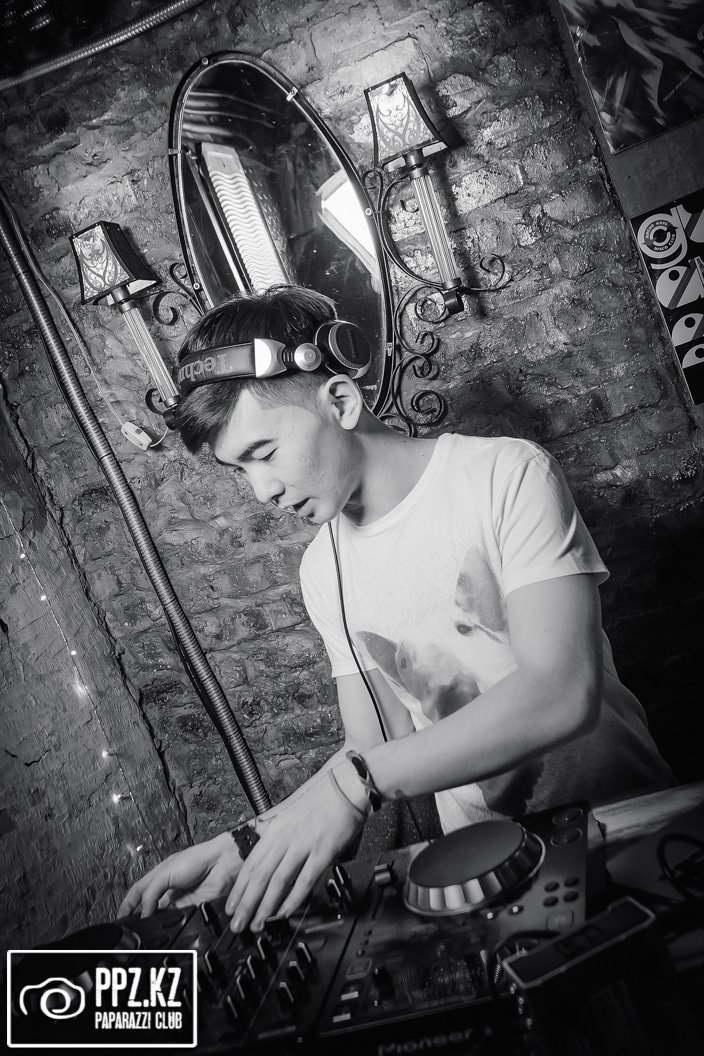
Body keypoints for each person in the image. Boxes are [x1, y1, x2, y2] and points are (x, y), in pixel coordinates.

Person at [118, 284, 674, 932]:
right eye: (239, 470)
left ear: (341, 401)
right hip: (479, 870)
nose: (261, 490)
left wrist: (355, 784)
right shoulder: (320, 570)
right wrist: (248, 842)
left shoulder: (505, 474)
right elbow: (374, 746)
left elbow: (560, 693)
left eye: (263, 454)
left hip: (625, 828)